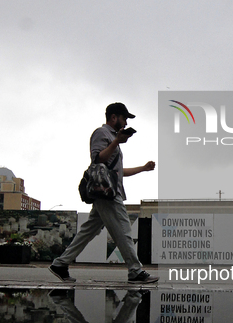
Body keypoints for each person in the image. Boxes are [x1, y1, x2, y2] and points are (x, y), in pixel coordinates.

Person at [50, 102, 158, 284]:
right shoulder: (102, 133)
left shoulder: (113, 137)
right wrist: (117, 141)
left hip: (108, 191)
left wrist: (143, 168)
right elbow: (98, 159)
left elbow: (118, 171)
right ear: (114, 117)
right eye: (124, 118)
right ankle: (135, 271)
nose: (125, 123)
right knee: (124, 229)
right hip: (108, 193)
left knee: (87, 231)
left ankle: (60, 264)